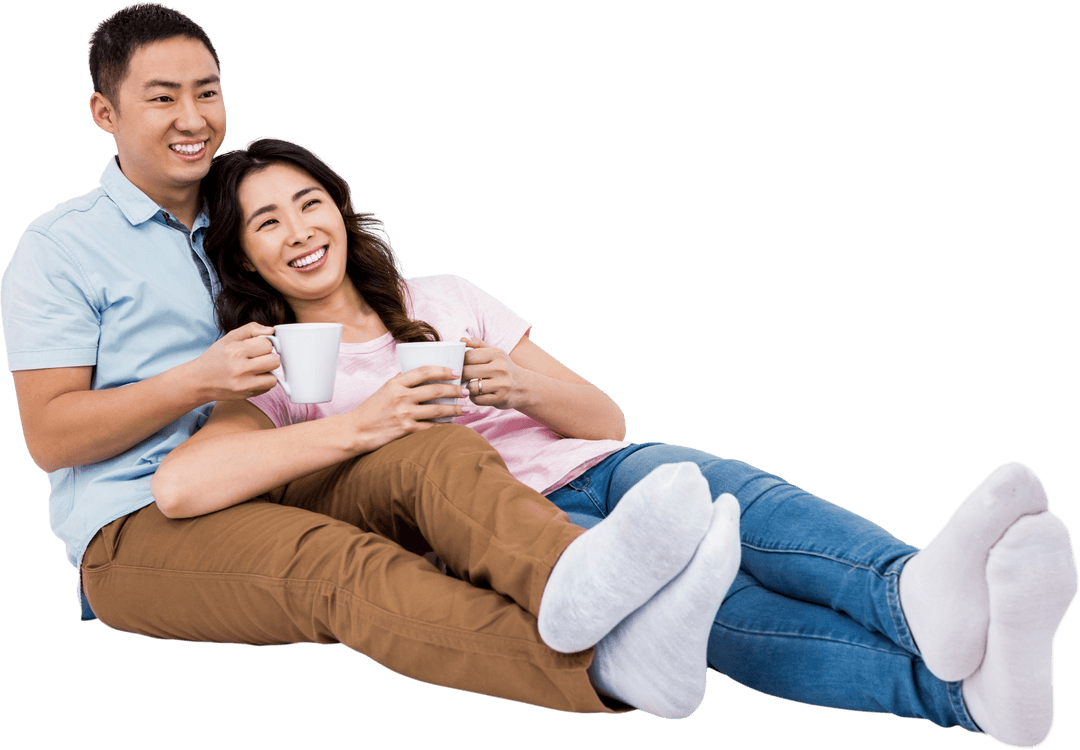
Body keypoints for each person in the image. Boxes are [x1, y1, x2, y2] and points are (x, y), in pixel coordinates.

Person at [180, 134, 1078, 749]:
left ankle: (912, 593)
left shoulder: (445, 297)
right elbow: (190, 483)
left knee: (746, 502)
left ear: (341, 210)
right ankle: (963, 696)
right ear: (245, 256)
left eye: (309, 203)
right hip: (528, 528)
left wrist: (517, 384)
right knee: (716, 615)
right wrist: (359, 425)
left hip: (603, 467)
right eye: (268, 222)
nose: (299, 231)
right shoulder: (271, 367)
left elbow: (605, 417)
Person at [0, 3, 744, 718]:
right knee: (340, 567)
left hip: (284, 473)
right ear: (104, 113)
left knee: (434, 448)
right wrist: (194, 381)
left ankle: (567, 577)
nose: (192, 118)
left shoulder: (246, 214)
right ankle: (607, 665)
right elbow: (50, 438)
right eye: (162, 98)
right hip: (138, 525)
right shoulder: (62, 248)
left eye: (208, 92)